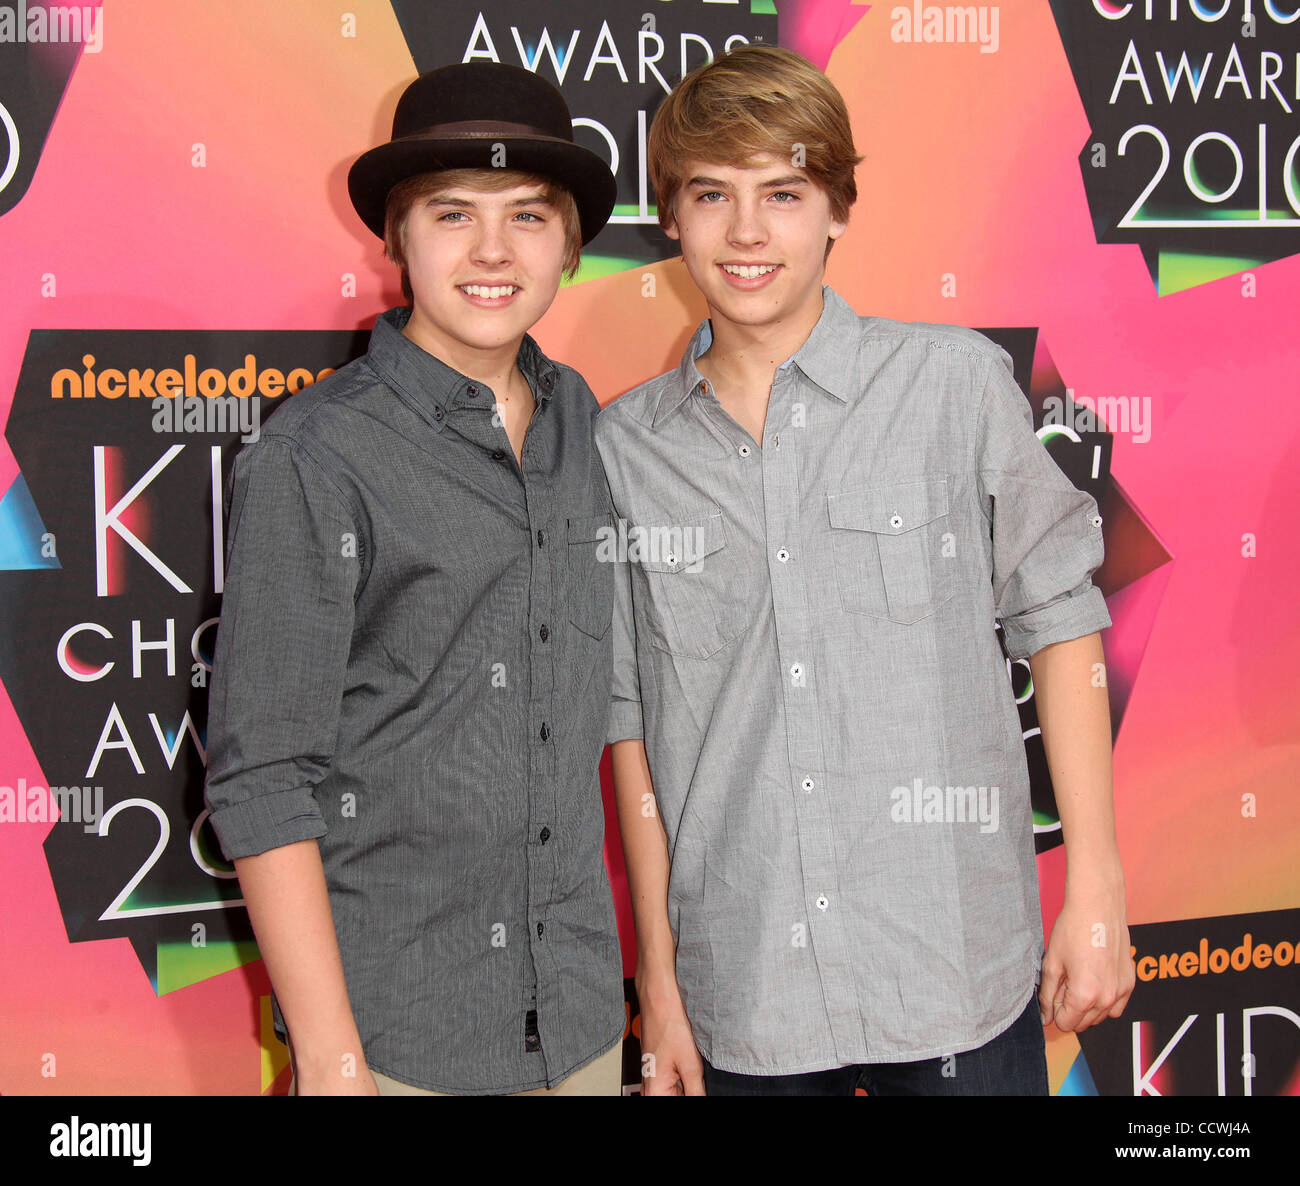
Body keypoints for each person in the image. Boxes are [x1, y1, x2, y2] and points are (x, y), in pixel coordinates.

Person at [598, 45, 1135, 1096]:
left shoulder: (952, 387)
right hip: (744, 988)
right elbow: (632, 726)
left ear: (837, 207)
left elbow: (1061, 619)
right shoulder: (625, 449)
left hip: (949, 966)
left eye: (783, 194)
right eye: (712, 195)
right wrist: (659, 986)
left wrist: (1097, 888)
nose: (747, 234)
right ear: (671, 216)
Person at [204, 62, 625, 1096]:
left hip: (578, 1025)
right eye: (451, 214)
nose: (492, 251)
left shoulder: (582, 420)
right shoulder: (315, 457)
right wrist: (333, 1058)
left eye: (528, 216)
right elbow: (261, 779)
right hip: (398, 1045)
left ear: (569, 247)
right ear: (396, 239)